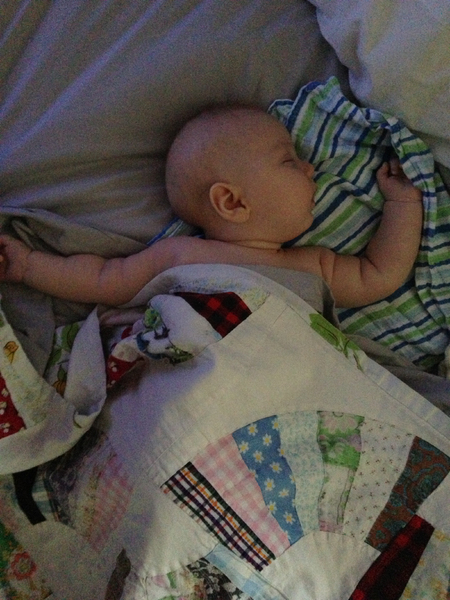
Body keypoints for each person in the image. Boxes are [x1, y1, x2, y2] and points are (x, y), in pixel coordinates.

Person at [0, 105, 423, 309]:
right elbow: (102, 279)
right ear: (233, 201)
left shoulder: (314, 267)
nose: (310, 168)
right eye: (290, 161)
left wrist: (403, 203)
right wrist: (29, 266)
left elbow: (380, 273)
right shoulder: (178, 255)